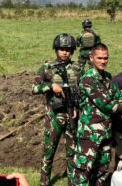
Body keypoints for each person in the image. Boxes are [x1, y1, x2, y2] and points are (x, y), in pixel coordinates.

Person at [69, 43, 122, 186]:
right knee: (83, 171)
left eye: (106, 58)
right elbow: (106, 104)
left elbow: (117, 97)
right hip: (89, 135)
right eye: (99, 58)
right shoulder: (88, 79)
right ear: (91, 58)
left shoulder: (108, 77)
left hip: (105, 134)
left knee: (102, 171)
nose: (103, 61)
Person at [32, 33, 81, 186]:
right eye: (61, 49)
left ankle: (72, 182)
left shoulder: (77, 68)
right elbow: (34, 88)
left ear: (72, 51)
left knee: (72, 153)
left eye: (68, 49)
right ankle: (44, 182)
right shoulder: (47, 68)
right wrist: (50, 86)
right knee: (49, 151)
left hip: (72, 115)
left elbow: (83, 90)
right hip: (54, 115)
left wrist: (78, 108)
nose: (65, 52)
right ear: (56, 50)